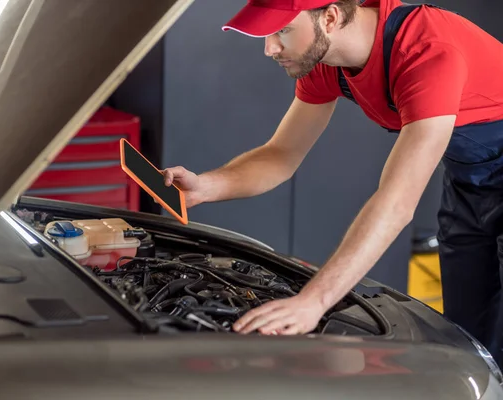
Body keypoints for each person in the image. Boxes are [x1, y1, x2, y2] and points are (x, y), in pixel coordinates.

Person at [162, 0, 503, 364]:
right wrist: (207, 186)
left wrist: (315, 301)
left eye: (282, 31)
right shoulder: (324, 61)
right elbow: (280, 154)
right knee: (472, 343)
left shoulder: (426, 50)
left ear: (329, 17)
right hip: (471, 181)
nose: (270, 48)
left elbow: (397, 203)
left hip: (483, 173)